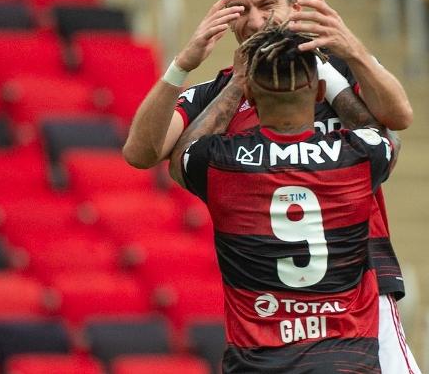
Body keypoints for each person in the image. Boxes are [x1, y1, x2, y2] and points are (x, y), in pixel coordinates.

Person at [123, 0, 420, 371]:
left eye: (268, 6)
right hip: (271, 309)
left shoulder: (338, 73)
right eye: (240, 10)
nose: (256, 21)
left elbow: (400, 114)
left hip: (357, 295)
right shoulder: (216, 92)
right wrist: (183, 64)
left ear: (295, 9)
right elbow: (140, 152)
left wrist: (346, 50)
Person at [168, 23, 396, 373]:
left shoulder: (221, 163)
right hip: (346, 360)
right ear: (319, 93)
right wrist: (330, 77)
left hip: (258, 363)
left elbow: (181, 156)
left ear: (253, 98)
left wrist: (235, 86)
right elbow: (378, 130)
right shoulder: (359, 155)